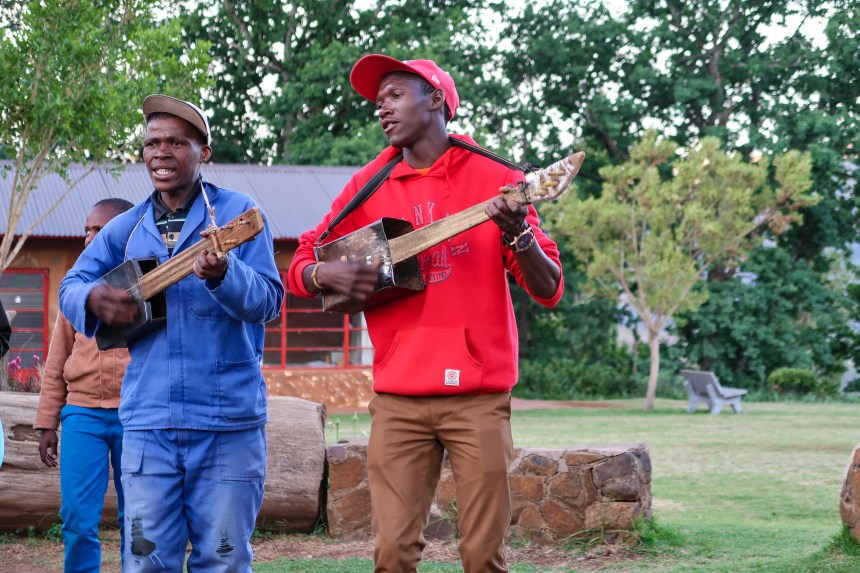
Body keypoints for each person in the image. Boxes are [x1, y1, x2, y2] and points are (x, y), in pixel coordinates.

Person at [287, 55, 564, 573]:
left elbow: (549, 288)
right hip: (399, 400)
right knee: (392, 555)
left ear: (435, 99)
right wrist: (325, 276)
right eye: (378, 101)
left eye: (394, 95)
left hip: (478, 399)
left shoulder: (498, 176)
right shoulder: (369, 184)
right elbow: (303, 261)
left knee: (483, 556)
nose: (381, 109)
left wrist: (516, 232)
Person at [59, 95, 284, 572]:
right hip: (148, 425)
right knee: (145, 562)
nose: (160, 152)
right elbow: (71, 284)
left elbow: (269, 300)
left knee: (222, 560)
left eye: (176, 142)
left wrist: (225, 274)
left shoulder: (239, 214)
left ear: (204, 151)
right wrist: (92, 300)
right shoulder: (126, 226)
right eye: (152, 142)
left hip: (227, 424)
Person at [34, 198, 134, 573]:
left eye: (99, 230)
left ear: (122, 235)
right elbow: (57, 361)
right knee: (77, 519)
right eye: (86, 230)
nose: (89, 237)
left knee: (139, 517)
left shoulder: (145, 284)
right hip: (81, 416)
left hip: (135, 417)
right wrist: (47, 423)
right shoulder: (75, 293)